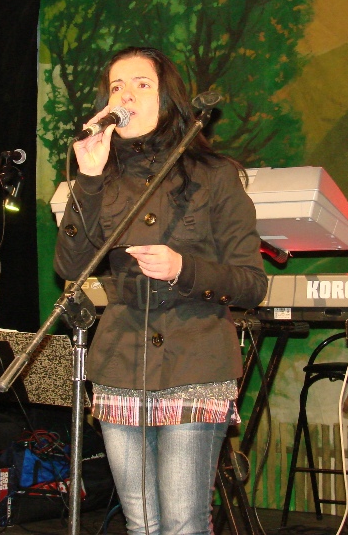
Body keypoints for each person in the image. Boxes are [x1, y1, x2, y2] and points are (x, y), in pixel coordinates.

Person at [54, 46, 268, 535]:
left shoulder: (215, 175)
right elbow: (69, 266)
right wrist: (88, 178)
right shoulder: (101, 177)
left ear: (168, 99)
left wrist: (182, 268)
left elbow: (252, 283)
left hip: (195, 363)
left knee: (182, 524)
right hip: (120, 364)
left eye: (141, 84)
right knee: (143, 524)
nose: (125, 95)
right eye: (116, 87)